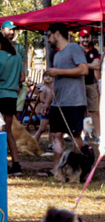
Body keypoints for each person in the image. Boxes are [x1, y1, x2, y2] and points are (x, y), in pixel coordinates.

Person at [46, 22, 88, 173]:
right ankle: (57, 168)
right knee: (55, 134)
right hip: (58, 102)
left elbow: (83, 69)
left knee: (75, 135)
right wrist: (48, 100)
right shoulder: (56, 55)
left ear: (57, 33)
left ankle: (80, 168)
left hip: (74, 101)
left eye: (49, 35)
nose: (48, 39)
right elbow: (56, 80)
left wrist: (59, 71)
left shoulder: (74, 48)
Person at [0, 29, 24, 175]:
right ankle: (16, 163)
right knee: (8, 131)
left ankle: (2, 163)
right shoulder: (16, 56)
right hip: (12, 96)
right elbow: (22, 78)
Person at [0, 21, 28, 116]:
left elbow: (22, 69)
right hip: (1, 89)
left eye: (13, 30)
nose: (12, 32)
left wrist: (18, 84)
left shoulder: (19, 48)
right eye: (9, 29)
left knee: (15, 114)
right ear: (2, 30)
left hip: (16, 86)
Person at [78, 29, 100, 139]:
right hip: (78, 83)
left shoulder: (94, 50)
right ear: (79, 38)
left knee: (95, 110)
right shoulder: (75, 49)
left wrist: (83, 65)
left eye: (87, 37)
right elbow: (75, 65)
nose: (85, 39)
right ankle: (81, 134)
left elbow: (97, 66)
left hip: (91, 83)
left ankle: (99, 135)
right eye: (83, 37)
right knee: (79, 110)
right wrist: (89, 65)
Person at [33, 73, 54, 144]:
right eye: (46, 76)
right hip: (46, 110)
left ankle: (51, 143)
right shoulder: (43, 88)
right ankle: (34, 142)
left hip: (53, 109)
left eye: (50, 76)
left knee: (52, 129)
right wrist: (47, 102)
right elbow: (41, 99)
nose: (48, 77)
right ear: (43, 78)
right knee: (42, 128)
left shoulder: (54, 88)